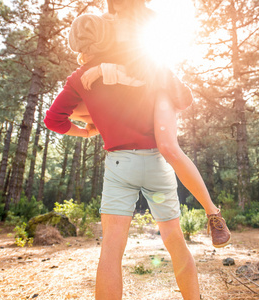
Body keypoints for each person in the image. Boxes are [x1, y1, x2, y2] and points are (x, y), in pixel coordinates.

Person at [44, 4, 201, 299]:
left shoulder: (81, 77)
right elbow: (183, 96)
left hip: (120, 164)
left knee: (112, 249)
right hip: (157, 162)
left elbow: (53, 120)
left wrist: (87, 129)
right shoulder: (141, 65)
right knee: (175, 241)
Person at [70, 5, 231, 249]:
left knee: (167, 147)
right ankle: (96, 125)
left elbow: (145, 67)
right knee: (74, 106)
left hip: (158, 86)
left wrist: (105, 69)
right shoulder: (104, 22)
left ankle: (213, 214)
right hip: (127, 90)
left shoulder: (144, 17)